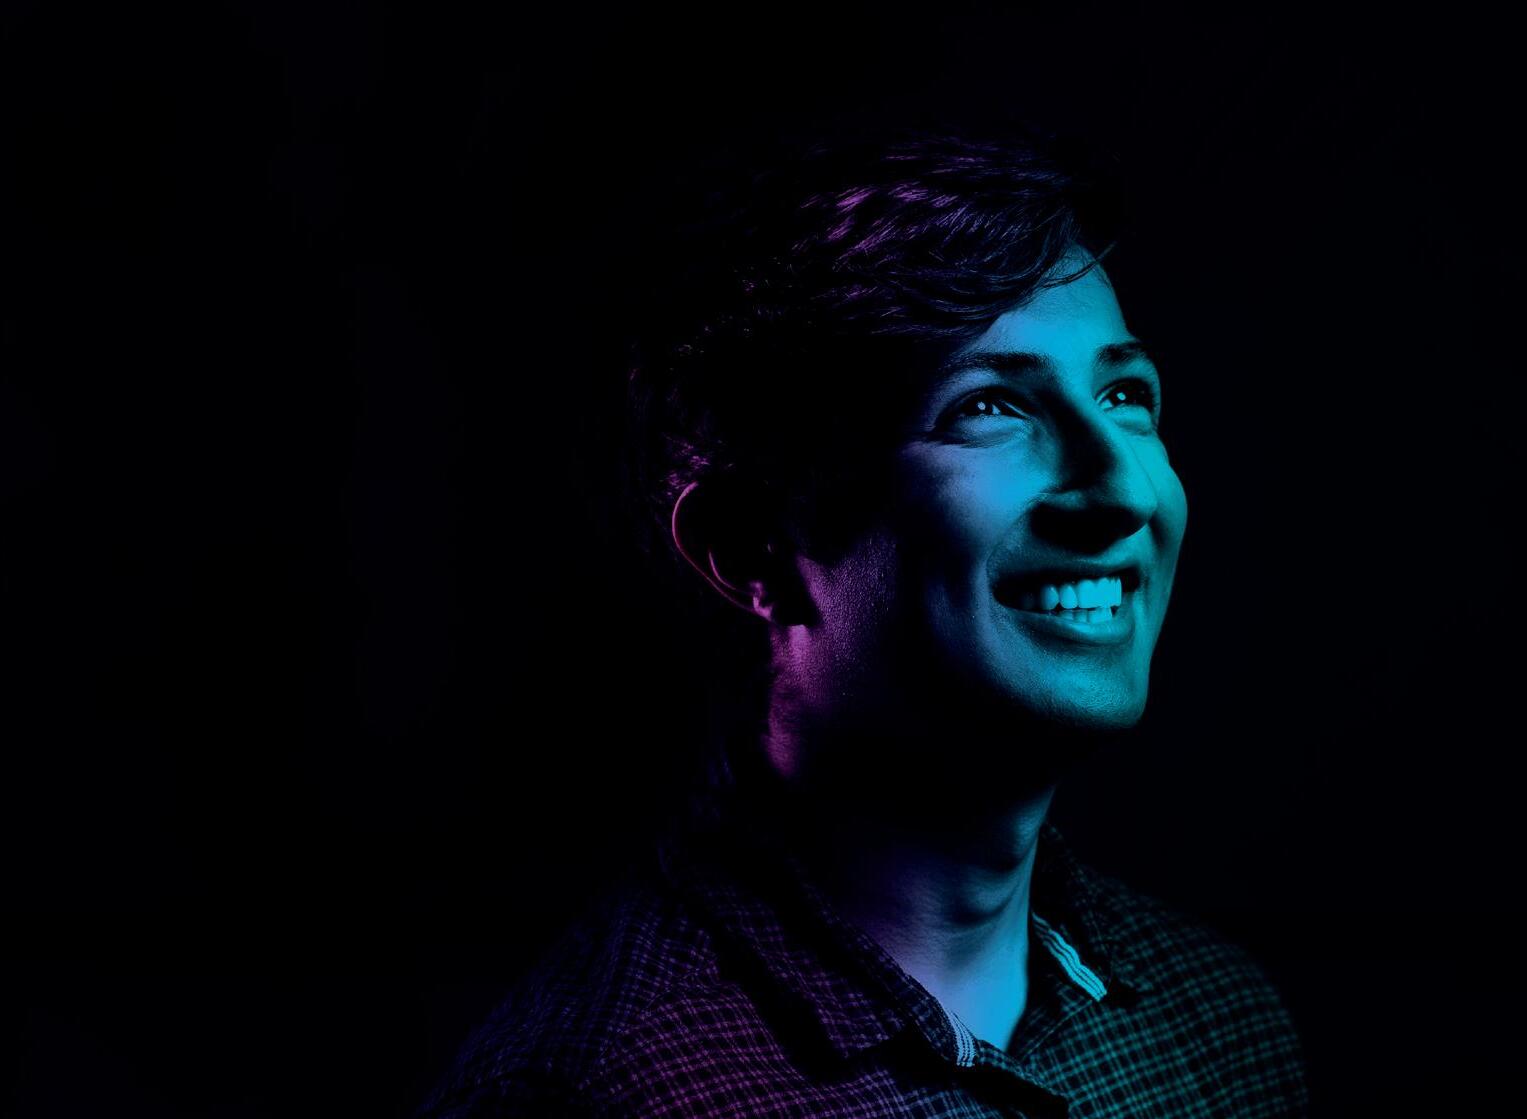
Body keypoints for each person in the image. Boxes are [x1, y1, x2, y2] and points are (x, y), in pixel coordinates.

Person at [418, 120, 1308, 1117]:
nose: (1123, 489)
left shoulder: (1220, 1025)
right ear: (750, 547)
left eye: (1123, 393)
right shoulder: (591, 1091)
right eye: (987, 407)